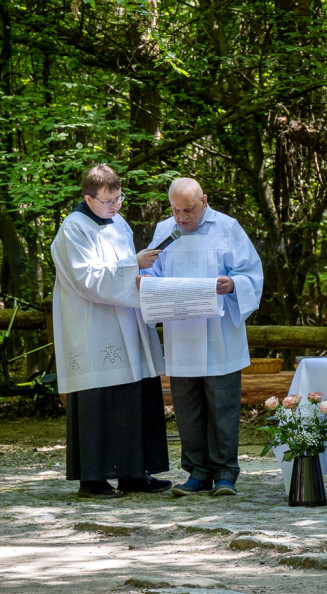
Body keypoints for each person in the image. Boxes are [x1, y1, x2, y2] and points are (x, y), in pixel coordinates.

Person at [50, 164, 170, 498]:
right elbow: (86, 279)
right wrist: (135, 266)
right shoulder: (73, 229)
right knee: (99, 401)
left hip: (128, 324)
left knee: (134, 396)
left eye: (118, 198)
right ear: (88, 198)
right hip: (94, 327)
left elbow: (122, 269)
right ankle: (93, 479)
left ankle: (134, 473)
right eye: (107, 201)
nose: (114, 206)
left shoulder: (119, 223)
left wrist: (140, 278)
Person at [144, 178, 264, 497]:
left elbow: (251, 273)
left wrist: (233, 284)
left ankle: (225, 472)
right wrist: (145, 282)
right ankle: (197, 472)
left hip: (219, 334)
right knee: (188, 406)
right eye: (175, 210)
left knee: (222, 405)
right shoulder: (165, 230)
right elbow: (150, 275)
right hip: (181, 334)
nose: (181, 217)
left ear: (205, 201)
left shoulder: (228, 228)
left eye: (188, 210)